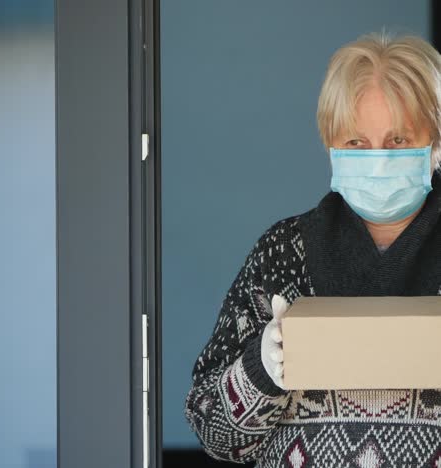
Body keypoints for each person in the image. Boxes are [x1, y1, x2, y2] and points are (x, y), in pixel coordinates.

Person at [184, 31, 441, 467]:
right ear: (330, 146)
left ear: (436, 143)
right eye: (356, 142)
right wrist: (260, 369)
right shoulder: (282, 253)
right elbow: (215, 435)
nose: (377, 159)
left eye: (398, 140)